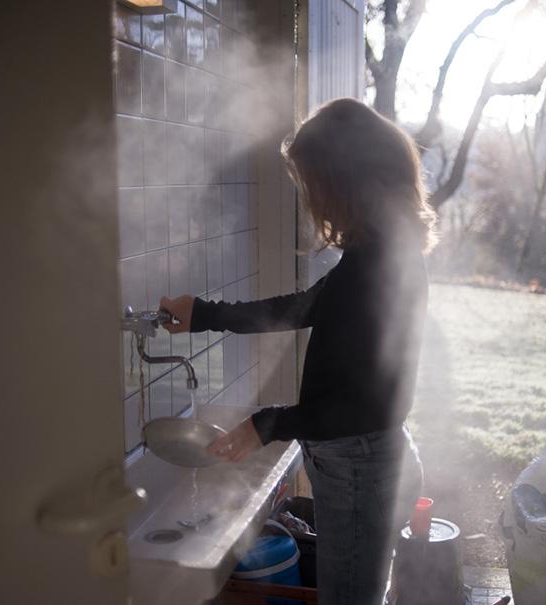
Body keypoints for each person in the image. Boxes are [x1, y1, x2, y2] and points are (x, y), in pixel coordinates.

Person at [160, 97, 437, 605]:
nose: (312, 199)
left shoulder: (378, 265)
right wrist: (203, 314)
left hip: (360, 468)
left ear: (346, 181)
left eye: (314, 183)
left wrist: (265, 425)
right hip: (366, 463)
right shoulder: (376, 255)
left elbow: (362, 405)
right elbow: (301, 308)